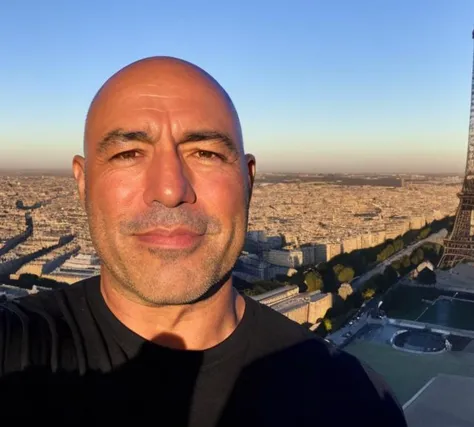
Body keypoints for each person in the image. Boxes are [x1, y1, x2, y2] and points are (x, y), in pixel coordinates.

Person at [0, 57, 407, 427]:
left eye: (206, 153)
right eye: (128, 154)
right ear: (83, 183)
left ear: (248, 181)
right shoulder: (14, 350)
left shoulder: (356, 404)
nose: (170, 188)